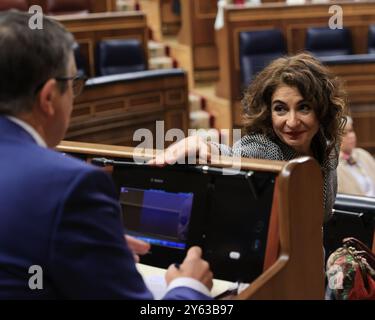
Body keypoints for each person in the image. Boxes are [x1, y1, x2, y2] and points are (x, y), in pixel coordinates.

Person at [0, 11, 213, 299]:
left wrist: (90, 246)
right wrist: (189, 287)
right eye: (73, 85)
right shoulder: (71, 186)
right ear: (49, 97)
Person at [151, 53, 347, 221]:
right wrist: (203, 145)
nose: (292, 122)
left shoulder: (329, 145)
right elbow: (233, 157)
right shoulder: (264, 150)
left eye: (304, 107)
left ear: (322, 110)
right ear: (268, 113)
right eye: (280, 109)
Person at [337, 116, 375, 197]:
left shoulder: (363, 154)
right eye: (344, 133)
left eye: (351, 130)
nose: (351, 136)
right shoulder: (332, 166)